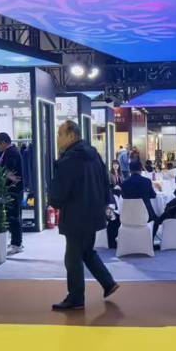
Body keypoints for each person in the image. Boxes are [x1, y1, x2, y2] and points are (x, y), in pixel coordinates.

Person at [49, 120, 119, 311]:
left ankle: (76, 298)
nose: (58, 138)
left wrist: (53, 201)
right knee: (86, 251)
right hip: (93, 213)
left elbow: (61, 189)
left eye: (60, 134)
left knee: (72, 257)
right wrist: (104, 205)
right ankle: (108, 283)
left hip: (75, 215)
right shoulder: (93, 154)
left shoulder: (69, 159)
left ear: (71, 135)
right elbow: (105, 181)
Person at [121, 160, 163, 246]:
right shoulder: (146, 181)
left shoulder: (124, 183)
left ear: (129, 170)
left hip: (128, 215)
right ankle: (150, 241)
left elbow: (123, 196)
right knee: (157, 220)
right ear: (141, 169)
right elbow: (153, 195)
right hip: (145, 215)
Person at [0, 133, 24, 254]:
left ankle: (16, 244)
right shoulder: (9, 152)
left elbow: (8, 171)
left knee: (13, 217)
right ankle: (16, 242)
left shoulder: (11, 153)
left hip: (13, 189)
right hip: (13, 189)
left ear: (3, 142)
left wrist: (2, 177)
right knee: (13, 215)